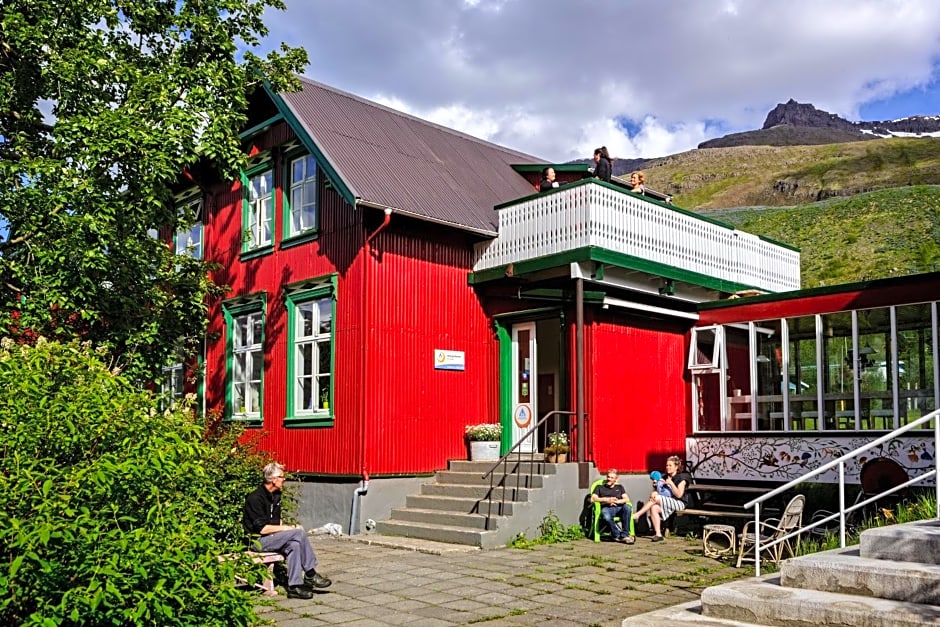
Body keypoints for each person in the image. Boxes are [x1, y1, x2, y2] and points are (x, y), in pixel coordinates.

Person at [242, 462, 333, 599]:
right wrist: (287, 529)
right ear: (273, 479)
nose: (284, 479)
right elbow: (262, 529)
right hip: (257, 541)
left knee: (294, 544)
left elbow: (277, 523)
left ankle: (294, 587)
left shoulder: (276, 495)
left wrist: (285, 530)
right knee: (298, 532)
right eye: (282, 476)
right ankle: (310, 573)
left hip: (272, 538)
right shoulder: (255, 498)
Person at [632, 455, 692, 542]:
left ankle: (638, 514)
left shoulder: (682, 478)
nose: (668, 467)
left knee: (656, 498)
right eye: (667, 465)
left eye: (670, 465)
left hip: (679, 503)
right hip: (667, 501)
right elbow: (662, 492)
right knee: (653, 508)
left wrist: (671, 484)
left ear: (676, 467)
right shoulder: (664, 477)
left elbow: (679, 495)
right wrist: (655, 490)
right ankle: (658, 534)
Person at [590, 468, 635, 544]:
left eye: (611, 478)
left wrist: (617, 501)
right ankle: (616, 534)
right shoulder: (599, 487)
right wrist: (607, 500)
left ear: (616, 479)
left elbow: (626, 499)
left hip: (619, 508)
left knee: (628, 508)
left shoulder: (620, 487)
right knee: (606, 515)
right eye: (608, 477)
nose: (609, 479)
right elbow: (592, 499)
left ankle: (624, 535)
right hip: (607, 508)